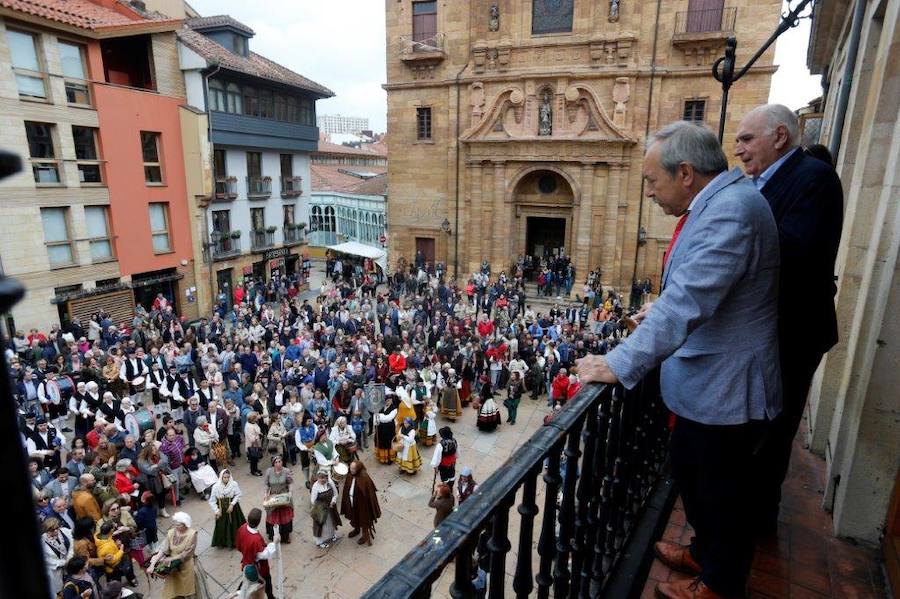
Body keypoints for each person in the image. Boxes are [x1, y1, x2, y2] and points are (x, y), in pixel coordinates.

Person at [577, 121, 781, 599]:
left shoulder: (731, 210)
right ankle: (704, 554)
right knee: (696, 478)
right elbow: (705, 288)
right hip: (707, 386)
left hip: (727, 390)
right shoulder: (723, 203)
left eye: (652, 180)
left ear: (685, 173)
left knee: (721, 494)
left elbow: (689, 298)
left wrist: (620, 362)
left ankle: (719, 584)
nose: (649, 192)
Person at [735, 104, 844, 534]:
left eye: (746, 139)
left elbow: (789, 254)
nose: (738, 149)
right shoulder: (772, 182)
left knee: (767, 438)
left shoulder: (812, 180)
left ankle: (743, 537)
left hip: (790, 335)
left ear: (779, 136)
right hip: (774, 333)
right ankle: (742, 529)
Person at [147, 512, 200, 599]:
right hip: (172, 567)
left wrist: (169, 559)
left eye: (178, 525)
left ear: (185, 524)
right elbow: (163, 549)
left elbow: (185, 555)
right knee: (171, 591)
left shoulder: (192, 535)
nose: (176, 526)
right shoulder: (171, 533)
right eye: (175, 523)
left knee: (187, 591)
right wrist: (152, 564)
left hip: (186, 566)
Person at [235, 508, 278, 599]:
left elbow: (238, 545)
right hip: (259, 568)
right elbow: (263, 555)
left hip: (246, 562)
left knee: (247, 580)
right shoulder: (255, 539)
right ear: (258, 522)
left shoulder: (242, 528)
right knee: (266, 582)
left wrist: (247, 553)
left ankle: (237, 593)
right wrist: (274, 542)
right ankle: (270, 597)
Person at [339, 460, 381, 546]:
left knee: (364, 519)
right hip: (352, 502)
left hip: (362, 505)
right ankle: (357, 529)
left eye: (353, 468)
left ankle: (365, 535)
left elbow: (369, 493)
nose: (351, 470)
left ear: (358, 468)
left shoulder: (364, 477)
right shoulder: (350, 475)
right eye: (350, 467)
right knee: (354, 516)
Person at [208, 469, 246, 549]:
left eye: (228, 477)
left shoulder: (234, 484)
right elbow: (212, 501)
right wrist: (216, 510)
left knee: (235, 524)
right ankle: (224, 542)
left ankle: (236, 542)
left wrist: (232, 504)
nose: (226, 479)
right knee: (222, 525)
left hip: (234, 509)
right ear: (221, 477)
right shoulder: (215, 487)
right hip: (221, 510)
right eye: (224, 477)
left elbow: (238, 494)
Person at [263, 456, 294, 543]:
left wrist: (290, 493)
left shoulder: (286, 471)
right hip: (273, 496)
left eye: (279, 461)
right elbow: (267, 484)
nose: (278, 464)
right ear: (273, 463)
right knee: (273, 517)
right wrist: (266, 494)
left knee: (285, 517)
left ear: (282, 462)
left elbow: (290, 483)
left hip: (284, 496)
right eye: (276, 462)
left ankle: (286, 536)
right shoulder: (269, 472)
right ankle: (273, 535)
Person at [309, 469, 341, 549]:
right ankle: (320, 541)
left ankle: (332, 535)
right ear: (317, 478)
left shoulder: (330, 483)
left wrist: (333, 501)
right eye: (320, 477)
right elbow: (313, 500)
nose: (322, 479)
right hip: (321, 509)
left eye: (324, 477)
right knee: (320, 526)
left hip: (330, 507)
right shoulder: (315, 486)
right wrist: (322, 506)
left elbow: (335, 494)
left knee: (331, 522)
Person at [42, 517, 74, 596]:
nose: (56, 531)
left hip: (71, 564)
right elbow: (46, 560)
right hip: (57, 571)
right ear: (46, 530)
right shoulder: (42, 542)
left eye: (57, 528)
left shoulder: (64, 531)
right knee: (63, 592)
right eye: (52, 530)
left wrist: (69, 557)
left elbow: (72, 543)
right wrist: (64, 562)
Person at [374, 394, 398, 465]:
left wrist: (379, 416)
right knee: (381, 442)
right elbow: (375, 416)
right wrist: (377, 419)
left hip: (389, 429)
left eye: (389, 400)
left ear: (391, 401)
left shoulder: (394, 409)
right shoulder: (381, 407)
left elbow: (388, 418)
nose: (388, 402)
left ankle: (390, 458)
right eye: (387, 401)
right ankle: (382, 457)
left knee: (388, 443)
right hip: (380, 428)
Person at [245, 412, 264, 477]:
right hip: (252, 446)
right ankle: (253, 471)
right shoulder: (249, 427)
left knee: (255, 459)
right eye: (256, 417)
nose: (257, 418)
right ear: (253, 419)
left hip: (256, 444)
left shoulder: (253, 423)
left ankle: (256, 469)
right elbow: (252, 439)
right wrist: (259, 435)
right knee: (253, 459)